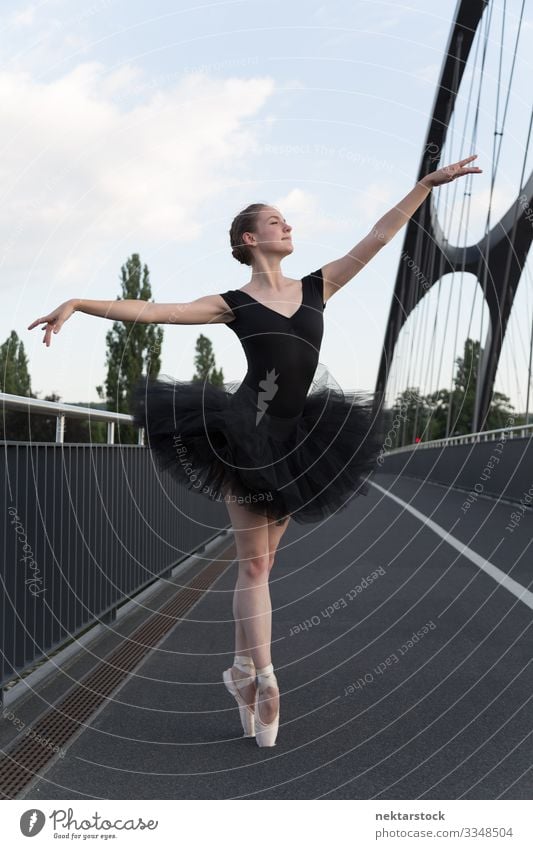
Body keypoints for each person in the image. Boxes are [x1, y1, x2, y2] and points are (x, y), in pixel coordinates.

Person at [27, 154, 482, 747]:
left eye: (287, 221)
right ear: (250, 238)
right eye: (276, 221)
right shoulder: (232, 303)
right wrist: (80, 303)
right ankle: (264, 677)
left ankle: (242, 671)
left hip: (299, 435)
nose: (287, 227)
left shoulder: (320, 284)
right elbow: (157, 311)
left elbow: (377, 237)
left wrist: (424, 186)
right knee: (256, 563)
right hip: (245, 431)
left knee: (266, 559)